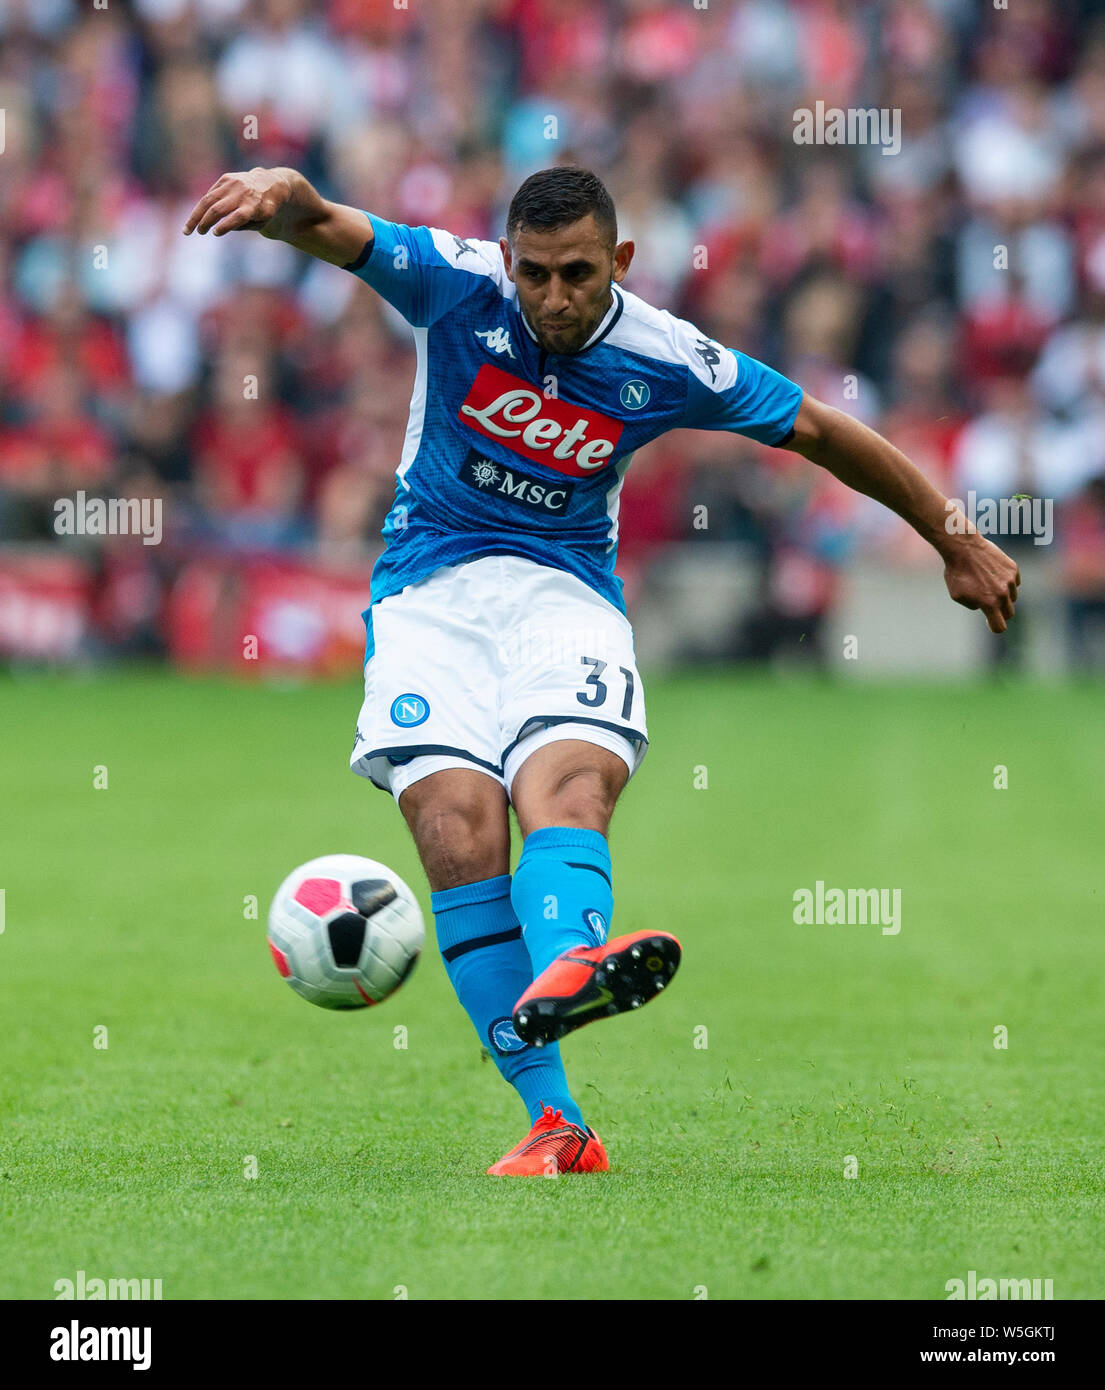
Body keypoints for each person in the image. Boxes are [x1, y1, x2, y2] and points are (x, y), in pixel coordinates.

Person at [184, 164, 1021, 1176]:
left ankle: (572, 957)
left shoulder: (665, 356)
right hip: (428, 596)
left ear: (618, 261)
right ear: (505, 259)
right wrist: (284, 197)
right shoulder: (455, 282)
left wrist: (952, 535)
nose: (552, 297)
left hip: (563, 597)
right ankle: (557, 1124)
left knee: (570, 787)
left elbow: (819, 430)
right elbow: (327, 223)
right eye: (533, 273)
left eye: (576, 273)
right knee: (455, 832)